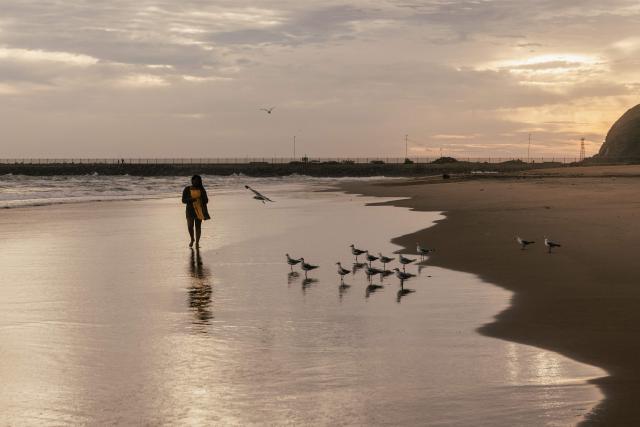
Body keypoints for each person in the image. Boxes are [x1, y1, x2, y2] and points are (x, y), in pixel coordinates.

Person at [182, 175, 211, 248]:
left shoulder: (202, 189)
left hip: (199, 210)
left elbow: (206, 200)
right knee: (190, 226)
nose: (196, 182)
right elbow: (183, 200)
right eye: (195, 180)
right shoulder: (187, 189)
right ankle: (192, 239)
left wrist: (201, 199)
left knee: (198, 227)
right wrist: (191, 199)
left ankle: (197, 242)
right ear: (192, 181)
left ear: (200, 181)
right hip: (190, 210)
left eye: (198, 181)